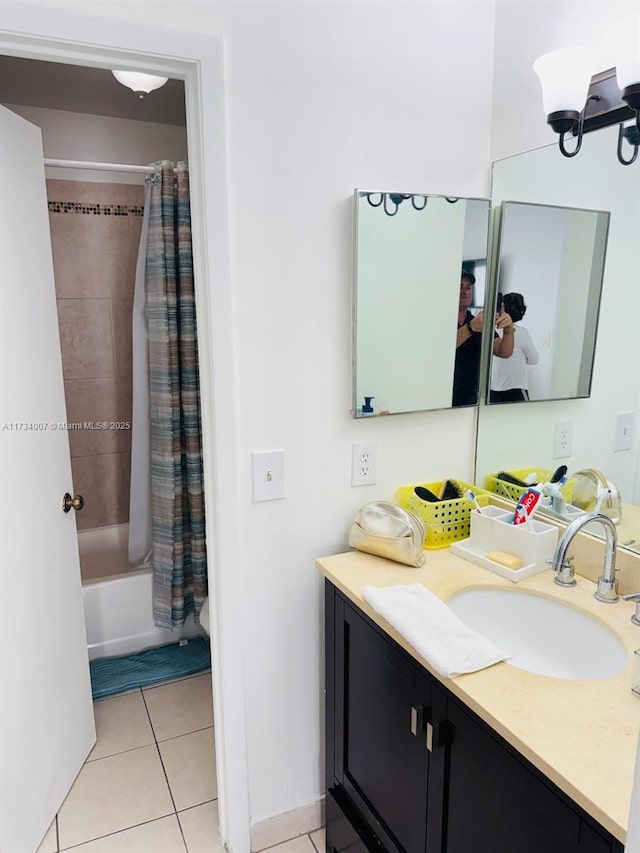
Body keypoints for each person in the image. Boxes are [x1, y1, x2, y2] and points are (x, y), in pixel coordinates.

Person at [453, 269, 514, 406]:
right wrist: (471, 327)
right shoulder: (441, 321)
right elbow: (443, 348)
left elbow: (503, 351)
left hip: (472, 400)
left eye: (468, 287)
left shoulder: (478, 321)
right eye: (460, 286)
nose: (465, 291)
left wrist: (509, 330)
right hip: (442, 397)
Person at [490, 292, 539, 403]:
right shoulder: (522, 333)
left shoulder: (491, 331)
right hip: (515, 389)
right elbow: (534, 359)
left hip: (492, 389)